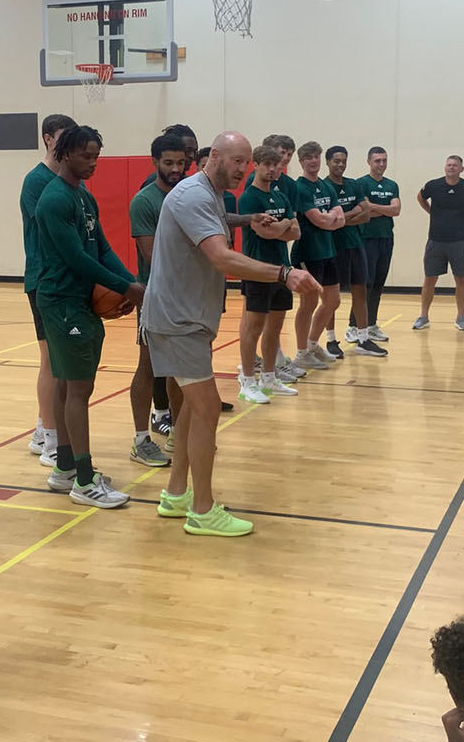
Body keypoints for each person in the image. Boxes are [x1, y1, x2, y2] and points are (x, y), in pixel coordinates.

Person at [143, 131, 319, 537]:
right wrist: (284, 273)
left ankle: (175, 495)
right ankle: (203, 510)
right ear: (215, 157)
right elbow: (221, 258)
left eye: (246, 162)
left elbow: (217, 225)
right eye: (237, 161)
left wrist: (246, 220)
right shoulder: (192, 195)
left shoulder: (211, 196)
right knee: (206, 410)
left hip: (189, 318)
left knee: (191, 406)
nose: (243, 169)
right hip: (177, 321)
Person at [35, 122, 144, 507]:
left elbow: (102, 250)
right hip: (62, 300)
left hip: (78, 300)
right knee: (80, 389)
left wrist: (128, 281)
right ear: (64, 153)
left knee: (68, 385)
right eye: (86, 155)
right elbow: (77, 259)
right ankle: (83, 479)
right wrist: (127, 288)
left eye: (97, 155)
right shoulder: (53, 200)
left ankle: (65, 469)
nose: (93, 162)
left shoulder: (84, 197)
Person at [128, 132, 189, 466]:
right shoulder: (145, 201)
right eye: (169, 163)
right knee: (149, 366)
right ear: (155, 163)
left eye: (181, 163)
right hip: (155, 295)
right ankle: (141, 440)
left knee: (180, 369)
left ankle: (178, 433)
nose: (176, 169)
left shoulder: (190, 194)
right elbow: (153, 256)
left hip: (186, 295)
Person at [21, 116, 72, 463]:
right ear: (47, 139)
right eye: (63, 140)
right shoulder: (37, 181)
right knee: (51, 360)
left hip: (64, 280)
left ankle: (43, 428)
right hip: (44, 278)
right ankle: (53, 441)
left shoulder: (68, 179)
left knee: (58, 361)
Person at [236, 144, 302, 404]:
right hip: (257, 269)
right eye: (268, 164)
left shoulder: (280, 196)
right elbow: (265, 233)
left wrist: (282, 225)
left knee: (275, 328)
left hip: (281, 270)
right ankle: (247, 381)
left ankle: (269, 378)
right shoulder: (249, 198)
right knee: (253, 327)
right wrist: (284, 225)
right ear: (256, 165)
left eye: (277, 165)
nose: (273, 169)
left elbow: (295, 231)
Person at [322, 144, 384, 357]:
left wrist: (341, 218)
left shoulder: (353, 185)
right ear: (328, 162)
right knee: (331, 296)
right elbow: (327, 221)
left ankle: (363, 338)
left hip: (356, 244)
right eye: (336, 161)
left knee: (360, 290)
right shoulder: (323, 187)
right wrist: (351, 213)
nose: (340, 164)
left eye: (343, 160)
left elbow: (366, 214)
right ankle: (330, 340)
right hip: (333, 247)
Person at [289, 141, 345, 373]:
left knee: (333, 301)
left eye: (316, 157)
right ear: (301, 161)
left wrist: (329, 217)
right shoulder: (300, 187)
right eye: (309, 157)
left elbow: (340, 219)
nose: (313, 161)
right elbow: (320, 220)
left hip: (328, 250)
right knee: (309, 302)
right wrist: (329, 217)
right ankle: (301, 353)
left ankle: (313, 344)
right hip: (308, 253)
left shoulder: (324, 186)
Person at [414, 155, 464, 331]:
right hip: (436, 240)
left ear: (461, 169)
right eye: (449, 165)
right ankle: (423, 316)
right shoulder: (433, 186)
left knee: (461, 279)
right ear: (445, 167)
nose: (451, 168)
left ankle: (460, 317)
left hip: (460, 241)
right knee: (429, 279)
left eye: (455, 165)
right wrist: (432, 212)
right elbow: (420, 197)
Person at [359, 145, 400, 343]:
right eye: (377, 161)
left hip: (386, 238)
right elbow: (365, 211)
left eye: (384, 160)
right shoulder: (361, 184)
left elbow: (396, 210)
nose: (381, 164)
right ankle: (355, 325)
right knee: (365, 283)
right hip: (367, 239)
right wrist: (386, 209)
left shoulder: (392, 185)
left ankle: (371, 324)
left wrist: (375, 208)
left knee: (378, 284)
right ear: (369, 162)